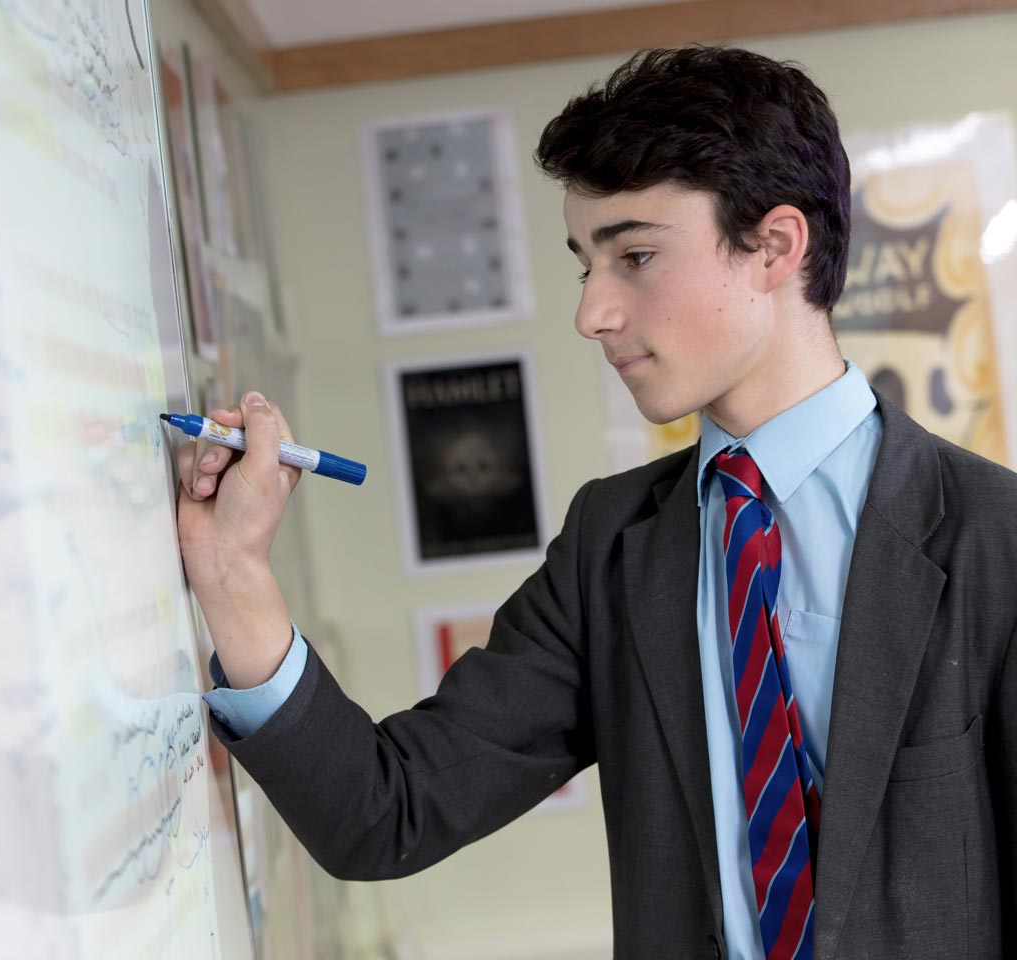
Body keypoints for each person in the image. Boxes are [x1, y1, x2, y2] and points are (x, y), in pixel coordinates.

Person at [174, 46, 1016, 959]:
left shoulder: (995, 540)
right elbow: (385, 813)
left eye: (636, 256)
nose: (593, 314)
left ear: (776, 246)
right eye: (586, 265)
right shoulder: (612, 546)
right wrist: (233, 571)